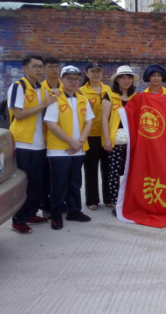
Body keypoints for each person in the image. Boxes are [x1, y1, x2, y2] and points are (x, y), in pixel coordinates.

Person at [8, 55, 58, 234]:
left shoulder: (41, 88)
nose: (39, 70)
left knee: (37, 183)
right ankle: (18, 220)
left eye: (41, 67)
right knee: (24, 183)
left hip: (39, 143)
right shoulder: (18, 86)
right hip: (23, 143)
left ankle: (30, 213)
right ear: (24, 68)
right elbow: (19, 114)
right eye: (35, 66)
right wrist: (43, 104)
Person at [44, 66, 94, 230]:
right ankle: (56, 214)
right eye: (69, 79)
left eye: (76, 79)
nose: (73, 82)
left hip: (78, 149)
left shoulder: (83, 99)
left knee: (75, 182)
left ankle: (74, 210)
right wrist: (71, 142)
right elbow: (51, 124)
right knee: (59, 183)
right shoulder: (55, 98)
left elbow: (89, 122)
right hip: (59, 150)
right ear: (61, 80)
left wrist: (79, 142)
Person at [102, 66, 140, 216]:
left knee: (131, 172)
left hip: (132, 141)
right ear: (117, 79)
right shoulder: (109, 96)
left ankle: (129, 202)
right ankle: (116, 202)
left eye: (129, 77)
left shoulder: (135, 97)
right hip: (116, 140)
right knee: (114, 173)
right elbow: (104, 118)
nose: (126, 80)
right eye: (123, 77)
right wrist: (106, 139)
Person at [79, 61, 112, 211]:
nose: (96, 74)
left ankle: (108, 198)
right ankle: (92, 200)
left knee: (108, 169)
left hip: (106, 134)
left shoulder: (108, 89)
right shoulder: (81, 91)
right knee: (91, 169)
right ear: (87, 74)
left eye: (98, 71)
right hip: (90, 135)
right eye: (92, 71)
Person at [40, 56, 63, 217]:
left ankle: (60, 203)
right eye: (51, 66)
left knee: (59, 175)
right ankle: (45, 206)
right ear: (44, 69)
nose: (54, 69)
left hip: (61, 138)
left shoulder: (66, 87)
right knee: (44, 175)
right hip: (42, 138)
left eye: (56, 66)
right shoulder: (40, 88)